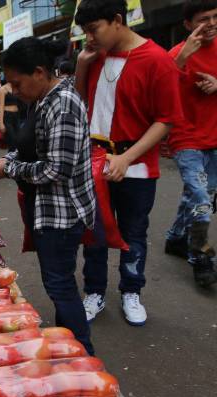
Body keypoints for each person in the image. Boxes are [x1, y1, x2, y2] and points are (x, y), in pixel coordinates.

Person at [74, 0, 184, 325]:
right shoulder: (94, 56)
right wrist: (81, 66)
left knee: (133, 233)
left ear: (117, 20)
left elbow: (166, 119)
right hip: (94, 161)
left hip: (136, 165)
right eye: (85, 32)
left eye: (93, 29)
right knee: (93, 231)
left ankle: (131, 291)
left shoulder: (157, 60)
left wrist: (126, 157)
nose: (89, 38)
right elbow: (80, 104)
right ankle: (94, 291)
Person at [0, 37, 96, 355]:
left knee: (60, 285)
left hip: (62, 213)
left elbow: (56, 170)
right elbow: (29, 146)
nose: (14, 91)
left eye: (17, 83)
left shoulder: (63, 105)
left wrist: (10, 169)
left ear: (39, 72)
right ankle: (68, 346)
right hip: (46, 208)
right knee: (57, 282)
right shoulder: (41, 99)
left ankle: (82, 352)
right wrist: (11, 160)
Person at [164, 0, 217, 287]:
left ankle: (175, 238)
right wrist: (183, 58)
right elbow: (159, 91)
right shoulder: (175, 54)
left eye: (215, 17)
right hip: (186, 140)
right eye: (203, 19)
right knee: (202, 200)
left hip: (214, 139)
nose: (211, 24)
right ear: (188, 24)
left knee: (197, 196)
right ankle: (200, 255)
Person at [0, 82, 28, 151]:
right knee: (12, 141)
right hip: (7, 116)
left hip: (17, 115)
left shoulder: (17, 87)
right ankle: (11, 156)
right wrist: (1, 123)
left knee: (19, 139)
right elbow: (1, 107)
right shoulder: (3, 89)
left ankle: (18, 156)